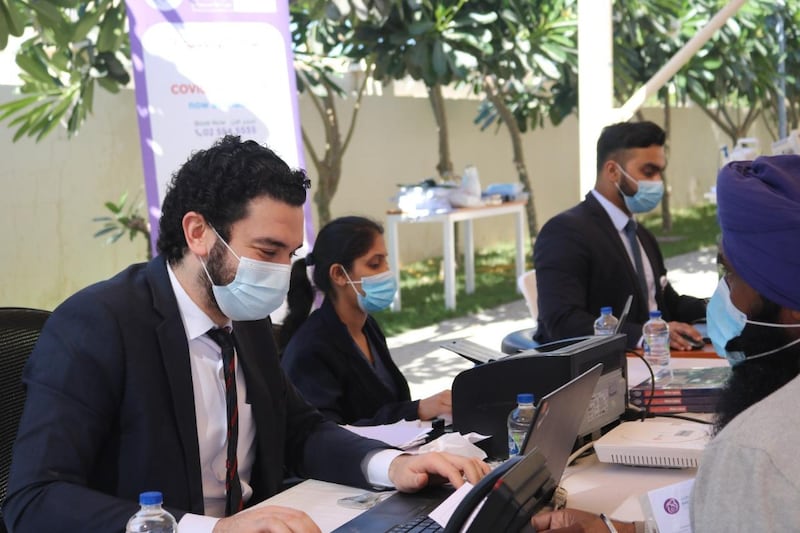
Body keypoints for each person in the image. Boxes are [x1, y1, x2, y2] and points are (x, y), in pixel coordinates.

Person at [2, 136, 488, 532]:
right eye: (266, 250)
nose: (280, 272)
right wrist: (210, 531)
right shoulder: (97, 325)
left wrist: (391, 466)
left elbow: (299, 429)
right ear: (198, 233)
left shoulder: (246, 317)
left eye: (290, 254)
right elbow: (34, 500)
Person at [532, 154, 800, 531]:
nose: (723, 292)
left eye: (730, 275)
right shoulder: (568, 231)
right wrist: (622, 529)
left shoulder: (755, 454)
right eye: (649, 169)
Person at [533, 121, 706, 350]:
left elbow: (664, 302)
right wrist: (643, 335)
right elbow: (562, 321)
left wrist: (718, 307)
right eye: (648, 172)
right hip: (605, 369)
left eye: (659, 172)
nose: (657, 183)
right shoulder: (564, 233)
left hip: (657, 361)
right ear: (613, 171)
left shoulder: (641, 235)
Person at [279, 216, 451, 426]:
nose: (386, 272)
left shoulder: (366, 327)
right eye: (375, 264)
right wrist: (418, 410)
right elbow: (326, 436)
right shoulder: (311, 350)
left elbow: (386, 406)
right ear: (339, 274)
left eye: (385, 261)